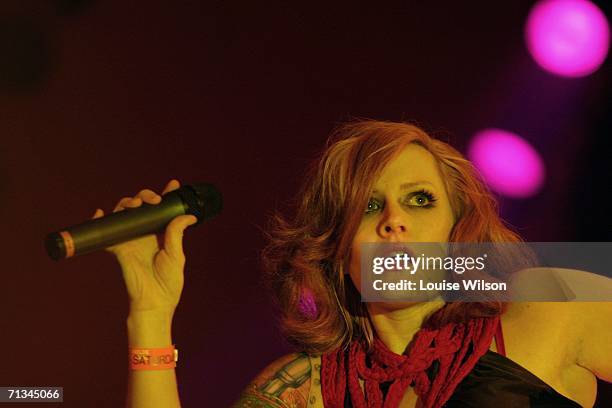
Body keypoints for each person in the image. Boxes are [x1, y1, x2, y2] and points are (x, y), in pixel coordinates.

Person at [95, 120, 612, 407]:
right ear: (338, 251)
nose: (394, 221)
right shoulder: (304, 389)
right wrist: (150, 318)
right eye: (368, 207)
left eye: (420, 200)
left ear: (460, 233)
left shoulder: (549, 304)